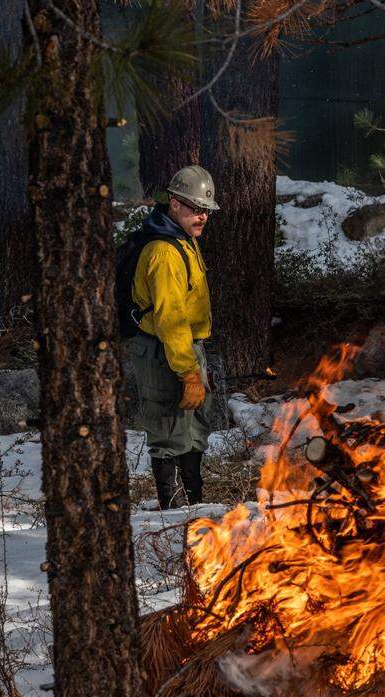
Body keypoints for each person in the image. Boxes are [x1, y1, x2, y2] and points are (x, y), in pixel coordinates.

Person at [126, 165, 219, 510]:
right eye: (195, 208)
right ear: (175, 204)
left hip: (184, 349)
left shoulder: (186, 240)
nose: (202, 215)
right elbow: (170, 320)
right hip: (164, 351)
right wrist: (188, 371)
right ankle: (172, 516)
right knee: (168, 433)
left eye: (206, 209)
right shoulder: (165, 253)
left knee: (193, 432)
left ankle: (195, 509)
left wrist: (193, 364)